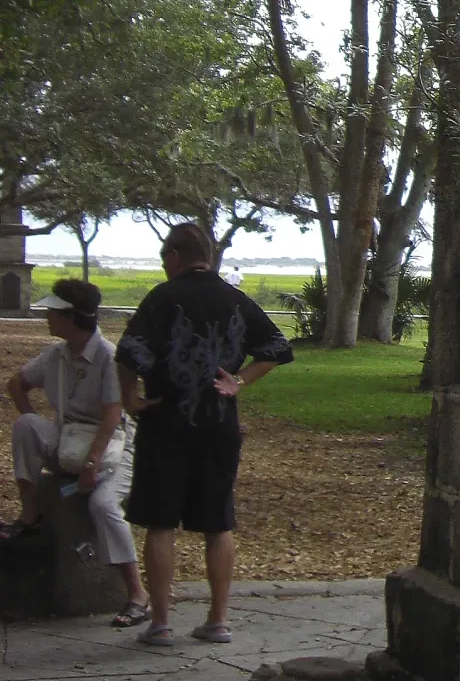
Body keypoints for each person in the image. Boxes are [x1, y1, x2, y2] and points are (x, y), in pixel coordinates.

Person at [116, 223, 293, 648]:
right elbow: (277, 346)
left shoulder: (162, 298)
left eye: (164, 258)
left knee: (160, 523)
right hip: (218, 425)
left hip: (166, 423)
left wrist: (130, 398)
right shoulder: (234, 299)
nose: (163, 266)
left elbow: (128, 352)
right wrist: (240, 381)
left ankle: (160, 623)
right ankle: (218, 620)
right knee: (218, 523)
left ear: (175, 256)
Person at [2, 279, 152, 626]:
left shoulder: (107, 356)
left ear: (71, 317)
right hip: (69, 438)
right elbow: (17, 383)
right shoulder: (55, 356)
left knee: (102, 504)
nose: (47, 318)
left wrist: (91, 461)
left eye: (53, 312)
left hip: (112, 446)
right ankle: (30, 514)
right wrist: (51, 439)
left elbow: (114, 414)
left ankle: (136, 593)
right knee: (26, 425)